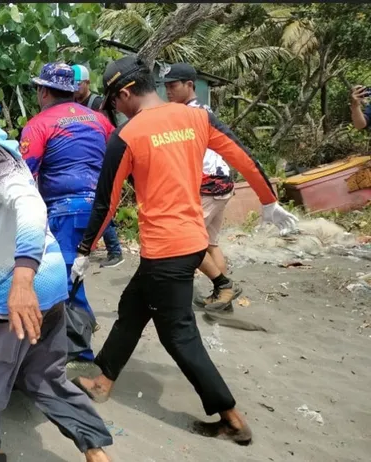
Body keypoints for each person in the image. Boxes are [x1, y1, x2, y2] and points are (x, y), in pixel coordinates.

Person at [69, 56, 299, 446]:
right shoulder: (195, 118)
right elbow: (240, 154)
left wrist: (83, 249)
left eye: (114, 101)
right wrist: (267, 200)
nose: (115, 109)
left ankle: (230, 417)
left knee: (178, 335)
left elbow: (105, 203)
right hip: (192, 243)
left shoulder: (127, 136)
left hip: (165, 252)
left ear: (125, 93)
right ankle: (103, 379)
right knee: (132, 307)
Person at [0, 69, 113, 461]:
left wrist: (22, 281)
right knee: (44, 376)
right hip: (51, 280)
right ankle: (96, 452)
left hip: (15, 285)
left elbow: (30, 202)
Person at [19, 62, 116, 364]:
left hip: (65, 211)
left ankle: (79, 353)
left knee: (63, 280)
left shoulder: (39, 124)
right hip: (99, 210)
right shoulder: (100, 120)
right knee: (74, 272)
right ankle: (83, 326)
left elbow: (23, 176)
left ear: (44, 90)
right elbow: (118, 156)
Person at [162, 62, 239, 311]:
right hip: (222, 182)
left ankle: (223, 285)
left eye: (173, 86)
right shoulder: (204, 110)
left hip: (208, 184)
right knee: (210, 243)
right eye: (166, 86)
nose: (168, 91)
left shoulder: (188, 115)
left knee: (187, 242)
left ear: (189, 85)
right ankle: (222, 297)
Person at [71, 64, 125, 268]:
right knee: (95, 204)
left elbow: (111, 131)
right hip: (85, 160)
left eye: (78, 84)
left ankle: (115, 250)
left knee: (99, 204)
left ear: (86, 83)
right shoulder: (73, 103)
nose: (75, 88)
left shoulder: (97, 103)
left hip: (101, 158)